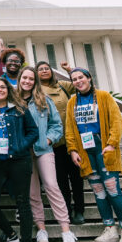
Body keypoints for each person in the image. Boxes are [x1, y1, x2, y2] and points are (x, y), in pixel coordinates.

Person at [66, 68, 122, 242]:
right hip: (85, 151)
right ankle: (110, 228)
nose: (78, 81)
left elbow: (117, 121)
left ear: (89, 78)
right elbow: (70, 129)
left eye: (81, 77)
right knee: (98, 191)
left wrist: (112, 143)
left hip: (104, 148)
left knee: (112, 188)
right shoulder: (72, 101)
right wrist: (72, 150)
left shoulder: (103, 96)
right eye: (74, 79)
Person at [17, 68, 77, 242]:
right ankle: (41, 229)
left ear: (35, 81)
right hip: (23, 153)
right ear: (19, 79)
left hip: (43, 149)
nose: (27, 81)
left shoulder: (44, 99)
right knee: (33, 192)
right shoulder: (13, 101)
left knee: (52, 186)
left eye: (30, 78)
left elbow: (56, 125)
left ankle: (66, 229)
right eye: (24, 78)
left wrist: (49, 139)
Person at [0, 77, 39, 242]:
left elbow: (33, 132)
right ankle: (10, 234)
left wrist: (19, 147)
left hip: (19, 161)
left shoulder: (20, 109)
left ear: (8, 90)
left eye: (2, 87)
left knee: (22, 202)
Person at [35, 61, 84, 224]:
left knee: (76, 177)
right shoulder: (36, 90)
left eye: (46, 69)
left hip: (71, 139)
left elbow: (82, 84)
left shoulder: (62, 86)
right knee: (61, 179)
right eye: (40, 69)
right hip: (53, 142)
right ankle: (67, 210)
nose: (44, 71)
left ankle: (79, 210)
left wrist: (71, 70)